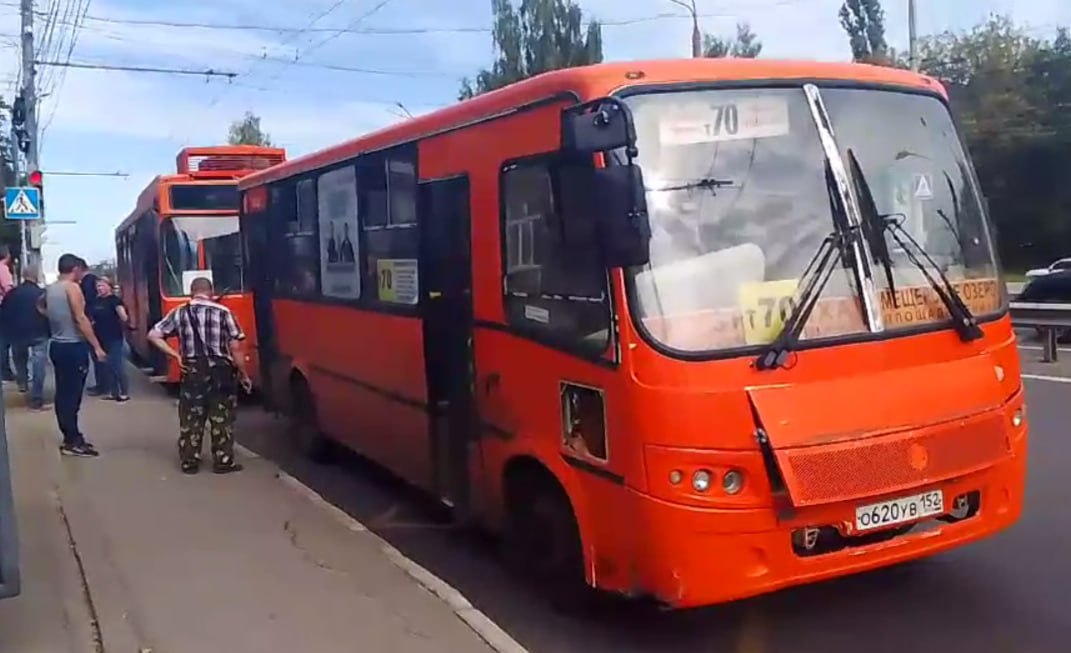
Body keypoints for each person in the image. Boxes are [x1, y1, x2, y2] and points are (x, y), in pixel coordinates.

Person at [147, 276, 251, 475]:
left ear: (192, 292)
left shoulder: (180, 312)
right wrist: (243, 374)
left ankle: (189, 461)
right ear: (210, 291)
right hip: (222, 370)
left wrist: (175, 355)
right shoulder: (224, 312)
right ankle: (223, 460)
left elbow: (153, 335)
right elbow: (235, 347)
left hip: (193, 369)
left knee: (191, 416)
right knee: (222, 416)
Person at [41, 254, 106, 457]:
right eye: (80, 270)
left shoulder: (51, 288)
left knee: (63, 393)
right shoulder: (72, 288)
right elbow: (80, 318)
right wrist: (97, 346)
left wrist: (57, 320)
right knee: (73, 395)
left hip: (57, 345)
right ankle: (72, 440)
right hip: (73, 346)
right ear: (75, 269)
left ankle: (69, 435)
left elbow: (40, 306)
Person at [2, 265, 49, 409]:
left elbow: (4, 312)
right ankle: (37, 396)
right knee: (39, 363)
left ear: (23, 276)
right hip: (39, 332)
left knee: (19, 358)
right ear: (36, 276)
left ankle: (22, 382)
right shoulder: (42, 293)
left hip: (17, 333)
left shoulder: (12, 293)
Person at [90, 276, 131, 402]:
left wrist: (124, 319)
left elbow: (124, 317)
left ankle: (124, 392)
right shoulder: (95, 301)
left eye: (102, 285)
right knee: (107, 366)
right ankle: (113, 392)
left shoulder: (115, 301)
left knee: (117, 365)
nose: (100, 288)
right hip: (100, 337)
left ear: (109, 287)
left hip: (114, 337)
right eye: (98, 286)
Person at [77, 261, 104, 396]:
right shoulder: (94, 280)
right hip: (99, 321)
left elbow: (84, 303)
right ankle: (106, 384)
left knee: (96, 355)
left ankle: (102, 385)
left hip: (91, 321)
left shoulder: (85, 283)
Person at [0, 246, 17, 382]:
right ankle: (5, 372)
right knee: (3, 341)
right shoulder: (3, 269)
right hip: (2, 308)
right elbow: (8, 290)